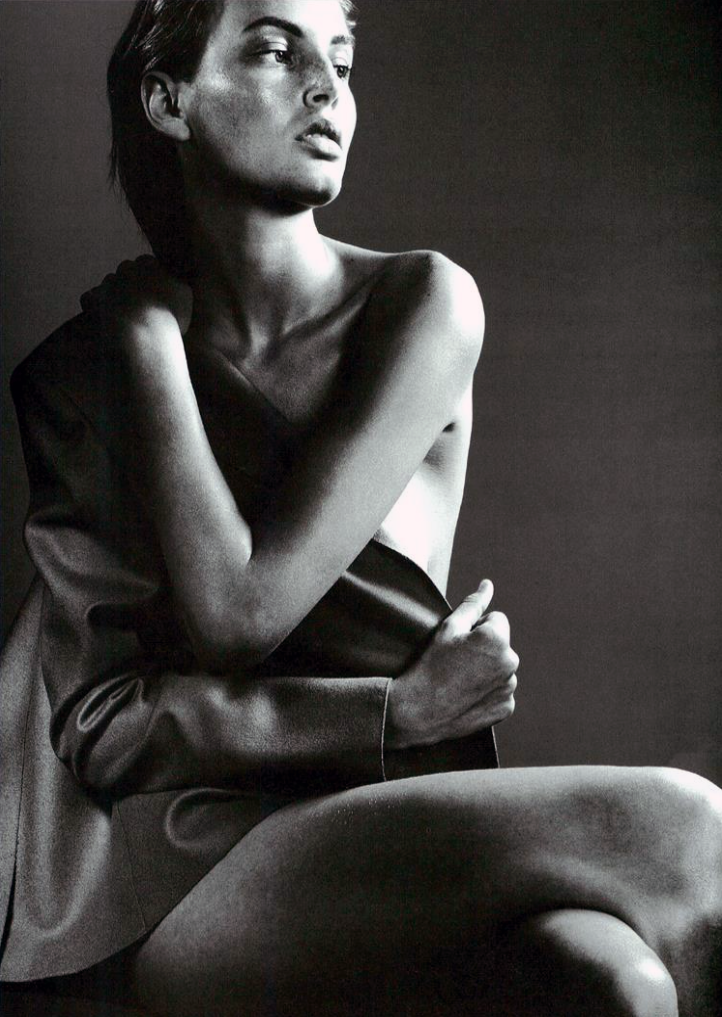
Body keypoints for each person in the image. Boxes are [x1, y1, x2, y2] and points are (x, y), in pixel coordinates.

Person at [1, 1, 721, 1015]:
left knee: (619, 984)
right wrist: (150, 353)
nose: (326, 88)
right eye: (273, 49)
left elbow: (244, 606)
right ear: (168, 100)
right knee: (690, 829)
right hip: (179, 879)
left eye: (340, 60)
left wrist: (147, 343)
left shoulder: (419, 303)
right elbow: (142, 693)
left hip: (389, 822)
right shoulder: (87, 372)